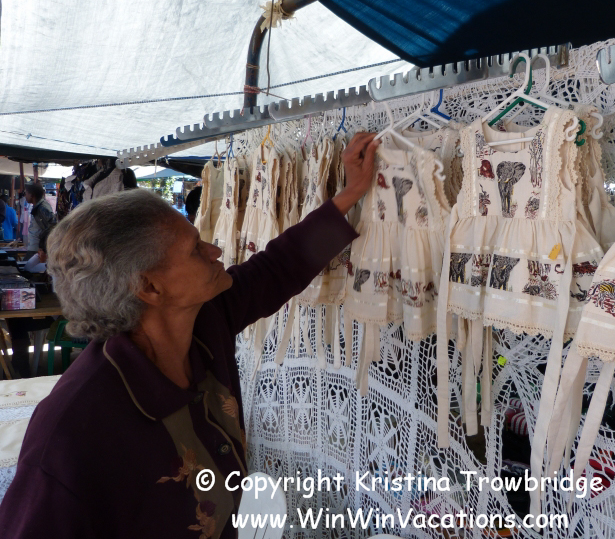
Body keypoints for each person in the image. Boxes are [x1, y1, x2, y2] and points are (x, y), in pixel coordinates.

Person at [0, 132, 379, 538]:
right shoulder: (72, 432)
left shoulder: (204, 322)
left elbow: (278, 268)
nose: (215, 252)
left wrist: (351, 192)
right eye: (196, 248)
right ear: (149, 288)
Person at [8, 226, 55, 378]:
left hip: (58, 318)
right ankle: (20, 363)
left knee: (17, 321)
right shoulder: (55, 265)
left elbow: (29, 267)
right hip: (56, 313)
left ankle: (22, 366)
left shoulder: (57, 268)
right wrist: (42, 254)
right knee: (16, 320)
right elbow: (29, 267)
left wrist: (41, 255)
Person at [24, 181, 55, 255]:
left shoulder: (42, 208)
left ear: (31, 195)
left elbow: (52, 227)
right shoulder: (38, 206)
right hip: (35, 248)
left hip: (38, 250)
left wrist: (43, 248)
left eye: (26, 193)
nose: (25, 196)